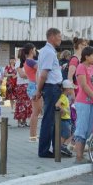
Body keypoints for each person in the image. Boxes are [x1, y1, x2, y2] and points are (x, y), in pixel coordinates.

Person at [35, 28, 63, 158]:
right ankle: (44, 150)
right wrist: (39, 90)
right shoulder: (48, 52)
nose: (60, 39)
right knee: (49, 120)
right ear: (51, 36)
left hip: (53, 87)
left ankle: (55, 148)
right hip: (51, 88)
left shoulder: (48, 51)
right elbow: (43, 74)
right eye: (59, 36)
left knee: (53, 119)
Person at [22, 43, 42, 142]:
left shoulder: (28, 61)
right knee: (36, 112)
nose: (35, 51)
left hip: (32, 85)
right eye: (34, 49)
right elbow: (41, 68)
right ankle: (32, 136)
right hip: (34, 86)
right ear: (31, 51)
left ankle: (34, 135)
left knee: (36, 112)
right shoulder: (30, 61)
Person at [55, 79, 75, 157]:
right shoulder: (63, 97)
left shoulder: (66, 97)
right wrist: (63, 110)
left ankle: (62, 147)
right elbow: (57, 105)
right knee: (65, 135)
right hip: (64, 119)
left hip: (67, 118)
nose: (72, 90)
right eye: (71, 88)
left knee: (69, 134)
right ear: (67, 89)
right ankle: (59, 148)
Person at [14, 49, 32, 128]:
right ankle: (19, 121)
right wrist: (32, 75)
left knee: (27, 103)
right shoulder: (18, 62)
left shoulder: (27, 62)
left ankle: (24, 121)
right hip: (21, 85)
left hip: (28, 84)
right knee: (21, 103)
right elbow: (22, 74)